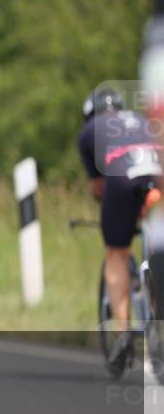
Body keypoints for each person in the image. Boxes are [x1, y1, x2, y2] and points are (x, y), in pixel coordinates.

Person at [78, 86, 163, 376]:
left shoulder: (89, 130)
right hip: (157, 174)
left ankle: (124, 333)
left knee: (116, 252)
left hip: (122, 176)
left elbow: (98, 187)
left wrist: (116, 217)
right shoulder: (139, 118)